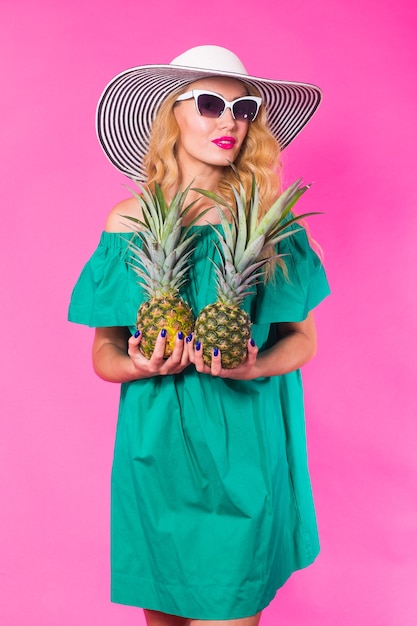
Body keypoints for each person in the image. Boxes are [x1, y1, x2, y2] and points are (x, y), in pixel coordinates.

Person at [68, 45, 330, 626]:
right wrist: (138, 365)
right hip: (154, 453)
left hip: (245, 456)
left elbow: (303, 340)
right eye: (210, 104)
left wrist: (255, 367)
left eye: (243, 108)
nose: (228, 121)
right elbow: (104, 353)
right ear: (171, 114)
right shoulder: (128, 222)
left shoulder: (269, 221)